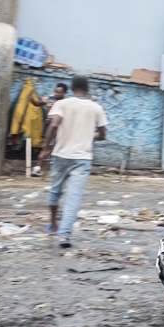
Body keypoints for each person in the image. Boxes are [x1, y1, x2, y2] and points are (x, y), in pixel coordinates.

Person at [37, 75, 108, 248]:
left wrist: (45, 149)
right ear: (88, 89)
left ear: (71, 88)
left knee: (55, 191)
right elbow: (103, 134)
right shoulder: (96, 108)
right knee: (73, 197)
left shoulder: (62, 104)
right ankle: (64, 236)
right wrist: (89, 136)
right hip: (82, 159)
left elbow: (53, 125)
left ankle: (53, 225)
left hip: (61, 155)